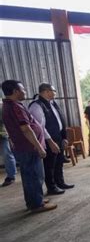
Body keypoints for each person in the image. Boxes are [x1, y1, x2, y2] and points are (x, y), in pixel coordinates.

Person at [1, 80, 56, 213]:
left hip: (23, 147)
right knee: (34, 176)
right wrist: (39, 147)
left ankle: (34, 200)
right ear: (15, 91)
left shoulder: (8, 106)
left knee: (29, 176)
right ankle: (37, 205)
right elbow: (26, 129)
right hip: (29, 148)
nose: (25, 91)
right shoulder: (15, 107)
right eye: (23, 89)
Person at [29, 83, 74, 195]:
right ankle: (52, 187)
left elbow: (60, 120)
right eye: (53, 90)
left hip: (58, 137)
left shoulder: (52, 103)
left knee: (59, 162)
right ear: (45, 91)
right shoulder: (36, 106)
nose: (55, 92)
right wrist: (50, 141)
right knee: (50, 165)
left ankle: (60, 182)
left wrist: (64, 137)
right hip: (48, 140)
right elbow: (40, 127)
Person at [0, 100, 16, 186]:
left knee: (6, 154)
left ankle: (11, 176)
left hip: (2, 135)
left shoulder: (1, 105)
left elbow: (4, 120)